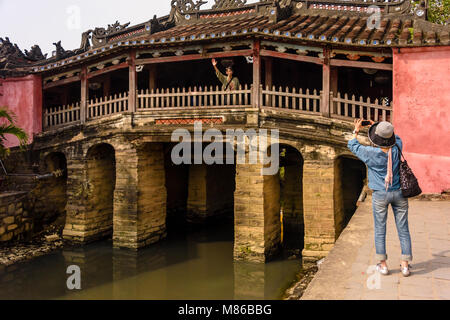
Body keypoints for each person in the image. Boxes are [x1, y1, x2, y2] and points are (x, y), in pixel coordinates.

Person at [348, 119, 413, 277]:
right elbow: (396, 138)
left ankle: (383, 265)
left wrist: (357, 130)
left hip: (380, 194)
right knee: (403, 229)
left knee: (380, 230)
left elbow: (352, 144)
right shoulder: (397, 147)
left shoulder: (370, 153)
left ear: (375, 138)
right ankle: (405, 265)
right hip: (399, 193)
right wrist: (380, 127)